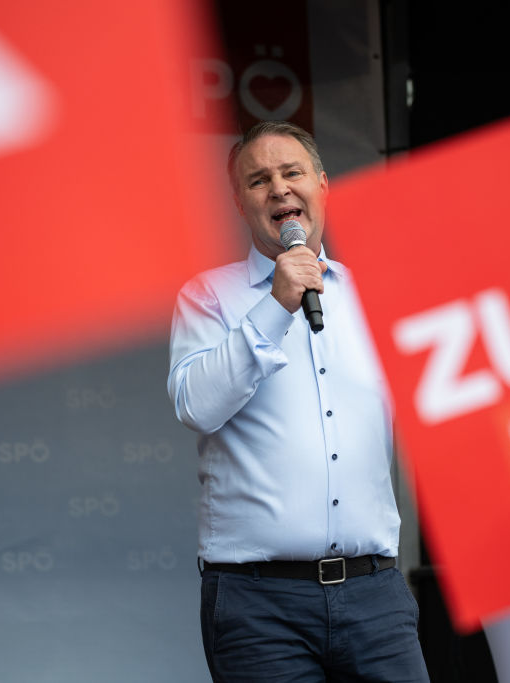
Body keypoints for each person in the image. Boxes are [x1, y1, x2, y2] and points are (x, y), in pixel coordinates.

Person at [167, 120, 430, 683]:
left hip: (375, 595)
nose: (279, 189)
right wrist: (277, 305)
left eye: (292, 172)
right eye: (259, 180)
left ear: (323, 185)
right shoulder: (209, 296)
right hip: (259, 605)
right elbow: (196, 405)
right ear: (240, 203)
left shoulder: (377, 295)